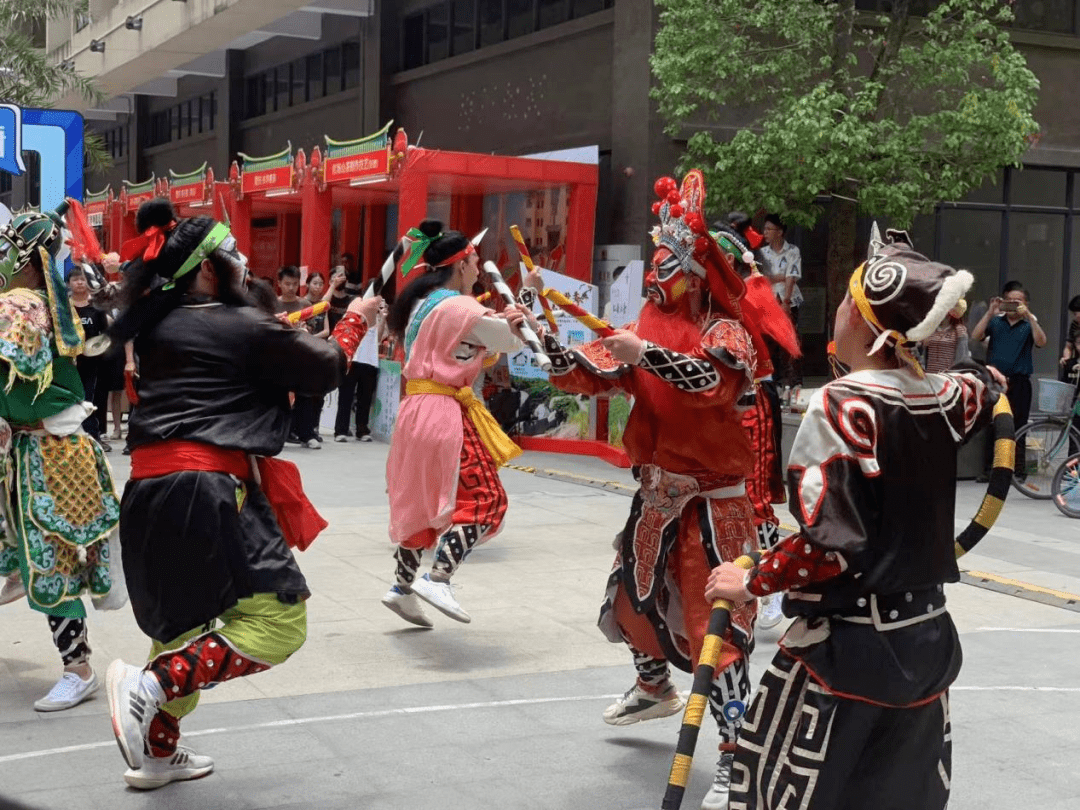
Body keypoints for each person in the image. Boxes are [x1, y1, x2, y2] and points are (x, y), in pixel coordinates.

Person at [705, 230, 1003, 810]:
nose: (838, 312)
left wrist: (751, 581)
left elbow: (829, 546)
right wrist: (956, 341)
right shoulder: (947, 396)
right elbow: (981, 385)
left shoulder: (843, 403)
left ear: (868, 325)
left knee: (781, 791)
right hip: (927, 639)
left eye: (846, 301)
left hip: (848, 651)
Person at [103, 198, 380, 789]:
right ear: (208, 270)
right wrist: (355, 319)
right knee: (277, 622)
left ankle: (155, 753)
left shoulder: (158, 324)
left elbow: (252, 352)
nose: (244, 264)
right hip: (208, 487)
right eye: (233, 256)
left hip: (150, 490)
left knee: (180, 625)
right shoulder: (238, 323)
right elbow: (324, 366)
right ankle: (147, 687)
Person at [536, 171, 790, 809]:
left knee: (718, 637)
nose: (655, 276)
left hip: (712, 507)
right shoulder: (649, 321)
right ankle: (654, 688)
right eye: (654, 263)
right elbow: (597, 371)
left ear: (698, 273)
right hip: (655, 496)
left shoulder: (725, 329)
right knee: (631, 602)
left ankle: (739, 757)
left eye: (667, 265)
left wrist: (642, 354)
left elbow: (707, 381)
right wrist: (546, 345)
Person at [0, 201, 123, 712]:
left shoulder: (22, 304)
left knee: (56, 563)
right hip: (36, 450)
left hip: (47, 456)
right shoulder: (37, 300)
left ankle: (80, 668)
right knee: (39, 558)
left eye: (7, 249)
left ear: (28, 258)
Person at [381, 219, 532, 628]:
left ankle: (401, 588)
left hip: (415, 409)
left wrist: (513, 317)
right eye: (475, 261)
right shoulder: (459, 307)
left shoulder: (420, 306)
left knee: (422, 503)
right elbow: (507, 340)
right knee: (485, 500)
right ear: (461, 263)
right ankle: (438, 577)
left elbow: (481, 348)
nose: (479, 268)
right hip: (443, 412)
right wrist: (522, 313)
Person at [971, 281, 1047, 481]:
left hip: (1020, 382)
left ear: (1026, 303)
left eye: (1019, 300)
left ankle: (1018, 471)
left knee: (1019, 427)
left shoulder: (1029, 323)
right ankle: (989, 470)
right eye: (1010, 300)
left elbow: (1041, 342)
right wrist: (990, 312)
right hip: (995, 382)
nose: (1014, 303)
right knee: (992, 424)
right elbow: (976, 335)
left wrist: (1029, 316)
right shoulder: (996, 322)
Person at [69, 265, 112, 451]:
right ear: (69, 283)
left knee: (89, 399)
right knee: (70, 399)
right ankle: (70, 437)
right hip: (68, 364)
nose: (79, 282)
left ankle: (93, 437)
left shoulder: (96, 307)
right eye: (75, 279)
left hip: (92, 363)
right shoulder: (63, 308)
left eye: (83, 279)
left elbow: (106, 333)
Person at [277, 266, 319, 449]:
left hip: (301, 355)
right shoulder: (273, 304)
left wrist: (305, 330)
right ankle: (278, 433)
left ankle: (307, 434)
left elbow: (314, 329)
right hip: (278, 356)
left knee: (305, 395)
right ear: (279, 283)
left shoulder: (305, 306)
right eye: (287, 283)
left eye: (294, 284)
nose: (291, 287)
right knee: (278, 396)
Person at [759, 214, 803, 388]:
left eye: (769, 229)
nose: (765, 233)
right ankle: (774, 381)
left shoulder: (793, 250)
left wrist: (786, 301)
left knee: (790, 340)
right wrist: (781, 277)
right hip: (768, 302)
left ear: (780, 232)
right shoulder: (762, 253)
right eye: (765, 229)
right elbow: (764, 278)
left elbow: (792, 277)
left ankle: (794, 382)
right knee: (770, 341)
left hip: (788, 301)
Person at [923, 299, 970, 374]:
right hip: (930, 376)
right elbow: (924, 354)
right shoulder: (931, 330)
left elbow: (962, 357)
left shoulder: (959, 330)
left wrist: (955, 374)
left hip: (948, 377)